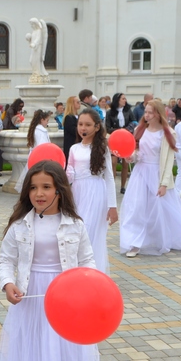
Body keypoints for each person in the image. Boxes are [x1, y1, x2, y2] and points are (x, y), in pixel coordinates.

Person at [0, 160, 101, 361]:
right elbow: (5, 260)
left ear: (60, 190)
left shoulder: (75, 224)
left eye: (46, 187)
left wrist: (89, 287)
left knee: (68, 359)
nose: (39, 193)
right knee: (36, 356)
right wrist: (7, 283)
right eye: (34, 187)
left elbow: (87, 259)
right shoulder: (20, 225)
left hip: (67, 297)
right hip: (32, 298)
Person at [119, 101, 181, 258]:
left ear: (158, 114)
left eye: (150, 112)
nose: (146, 115)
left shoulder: (167, 133)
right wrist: (132, 157)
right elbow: (136, 152)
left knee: (159, 210)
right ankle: (135, 242)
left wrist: (164, 184)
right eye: (146, 112)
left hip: (157, 174)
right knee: (137, 208)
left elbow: (169, 161)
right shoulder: (139, 130)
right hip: (140, 173)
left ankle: (162, 239)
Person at [66, 110, 117, 273]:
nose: (83, 128)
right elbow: (69, 173)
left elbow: (109, 177)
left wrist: (113, 206)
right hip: (77, 193)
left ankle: (93, 272)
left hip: (96, 192)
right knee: (76, 232)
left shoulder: (102, 148)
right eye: (80, 124)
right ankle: (78, 271)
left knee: (89, 232)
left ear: (96, 127)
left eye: (88, 124)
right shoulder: (74, 148)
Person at [14, 109, 52, 193]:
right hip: (39, 157)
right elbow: (42, 146)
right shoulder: (41, 131)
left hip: (34, 156)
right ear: (42, 120)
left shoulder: (35, 129)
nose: (47, 123)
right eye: (47, 120)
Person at [104, 93, 136, 193]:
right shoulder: (110, 112)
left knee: (125, 163)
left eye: (125, 98)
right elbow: (108, 127)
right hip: (115, 138)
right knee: (113, 162)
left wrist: (126, 130)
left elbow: (134, 122)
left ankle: (123, 186)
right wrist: (119, 130)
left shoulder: (128, 111)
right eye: (123, 99)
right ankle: (112, 184)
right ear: (117, 100)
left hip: (126, 139)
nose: (125, 100)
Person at [62, 96, 80, 161]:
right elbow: (74, 130)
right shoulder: (69, 118)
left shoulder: (79, 116)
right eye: (77, 102)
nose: (79, 104)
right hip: (71, 144)